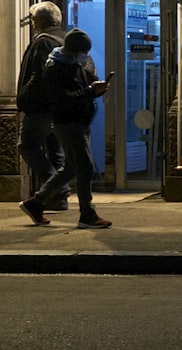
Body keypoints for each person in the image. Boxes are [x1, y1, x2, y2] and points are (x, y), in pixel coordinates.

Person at [19, 29, 112, 229]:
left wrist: (94, 91)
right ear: (73, 50)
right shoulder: (55, 68)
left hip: (78, 122)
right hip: (68, 124)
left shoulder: (74, 64)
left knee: (70, 168)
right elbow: (62, 99)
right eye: (83, 52)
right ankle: (87, 214)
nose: (85, 56)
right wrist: (89, 91)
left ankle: (35, 203)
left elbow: (78, 92)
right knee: (85, 167)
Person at [16, 1, 71, 212]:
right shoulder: (66, 39)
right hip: (60, 108)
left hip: (41, 108)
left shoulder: (43, 42)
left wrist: (25, 97)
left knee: (27, 145)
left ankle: (57, 187)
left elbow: (39, 76)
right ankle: (59, 200)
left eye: (32, 19)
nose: (31, 23)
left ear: (39, 21)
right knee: (56, 149)